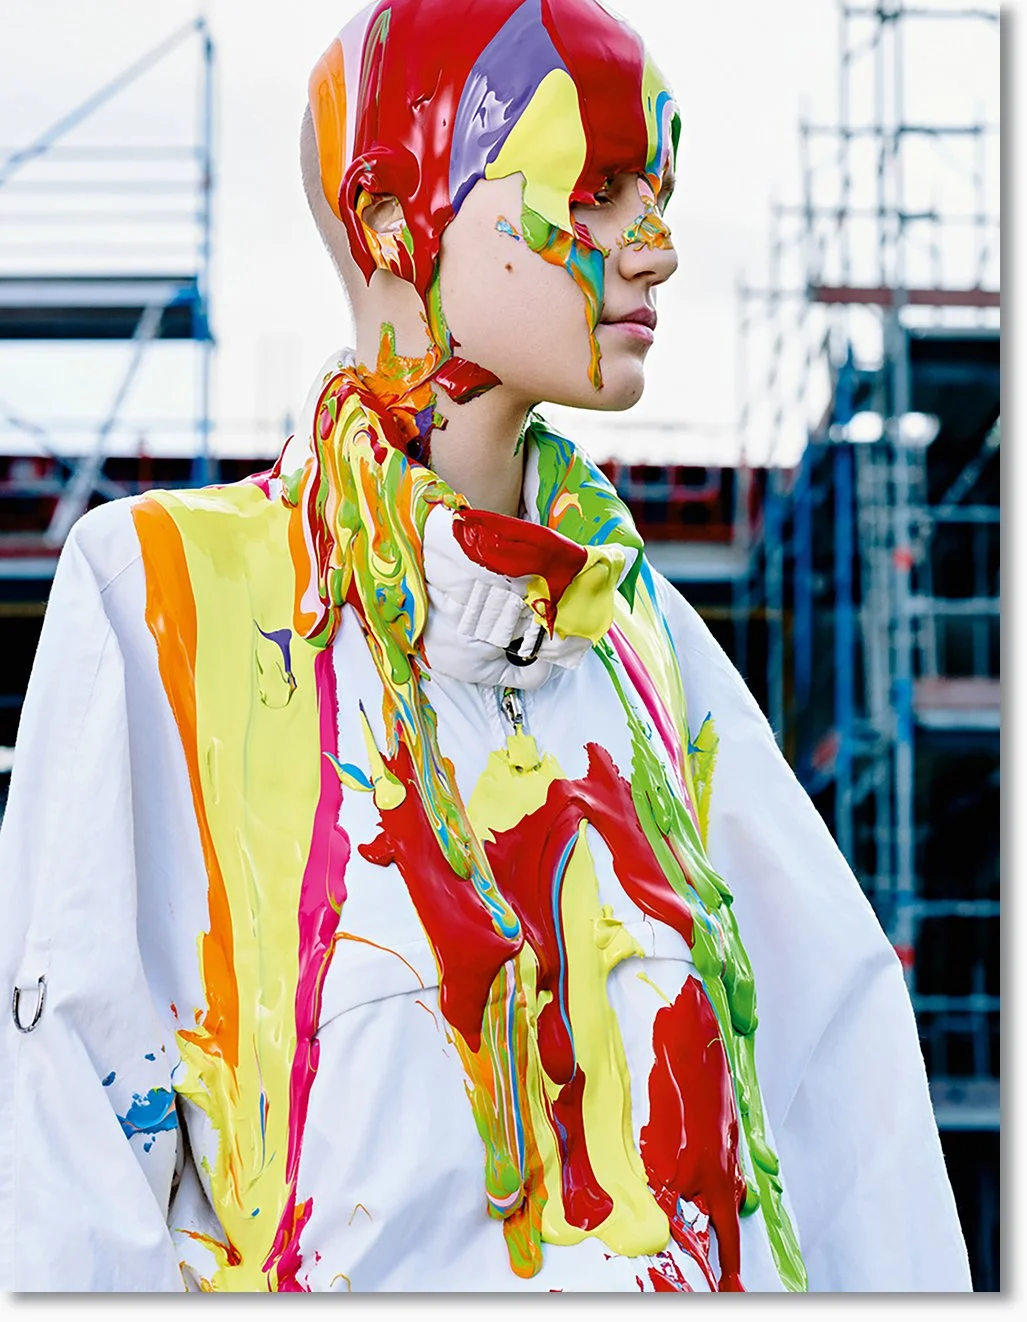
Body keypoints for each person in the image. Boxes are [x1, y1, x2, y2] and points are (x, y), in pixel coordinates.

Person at [0, 0, 971, 1293]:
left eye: (657, 188)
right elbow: (62, 1152)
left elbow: (848, 1125)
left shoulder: (651, 656)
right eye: (603, 185)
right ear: (398, 217)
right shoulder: (162, 601)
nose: (657, 247)